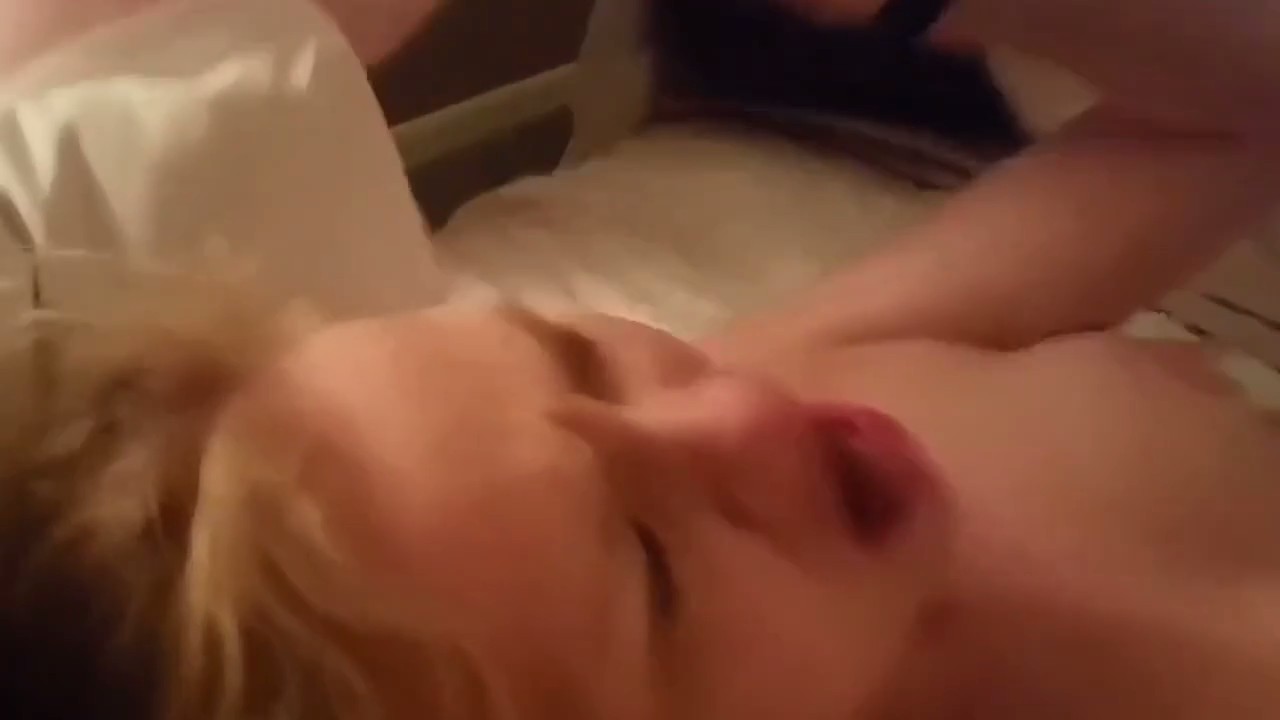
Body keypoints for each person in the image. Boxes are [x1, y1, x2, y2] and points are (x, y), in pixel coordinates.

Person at [1, 2, 1279, 720]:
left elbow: (1233, 116)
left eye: (576, 360)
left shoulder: (820, 384)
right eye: (658, 580)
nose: (738, 416)